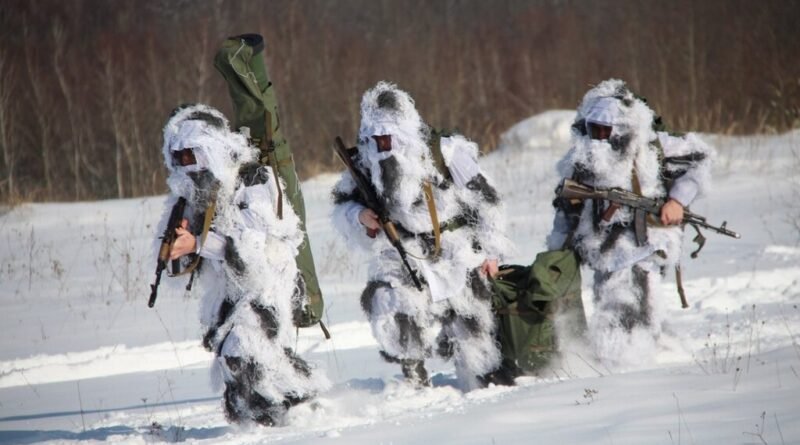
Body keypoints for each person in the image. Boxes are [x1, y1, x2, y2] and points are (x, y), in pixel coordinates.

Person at [331, 82, 513, 389]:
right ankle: (413, 376)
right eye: (374, 139)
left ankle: (481, 388)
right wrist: (359, 216)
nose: (381, 147)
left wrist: (492, 253)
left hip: (455, 249)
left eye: (388, 138)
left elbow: (488, 201)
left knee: (470, 327)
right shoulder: (364, 161)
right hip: (401, 250)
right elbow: (342, 206)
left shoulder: (444, 153)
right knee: (388, 302)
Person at [157, 103, 328, 426]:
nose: (186, 167)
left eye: (190, 156)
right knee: (242, 363)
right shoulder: (189, 193)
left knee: (242, 352)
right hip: (227, 292)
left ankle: (275, 422)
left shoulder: (255, 180)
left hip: (269, 284)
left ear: (210, 150)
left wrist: (197, 243)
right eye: (178, 159)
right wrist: (175, 251)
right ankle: (296, 407)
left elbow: (255, 250)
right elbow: (172, 259)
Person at [547, 79, 715, 366]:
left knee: (626, 306)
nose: (598, 137)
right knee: (617, 304)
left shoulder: (652, 146)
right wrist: (557, 250)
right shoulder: (582, 156)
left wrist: (677, 201)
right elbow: (566, 206)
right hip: (602, 250)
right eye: (593, 129)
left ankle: (627, 370)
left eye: (605, 130)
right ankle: (653, 357)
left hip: (643, 245)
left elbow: (702, 158)